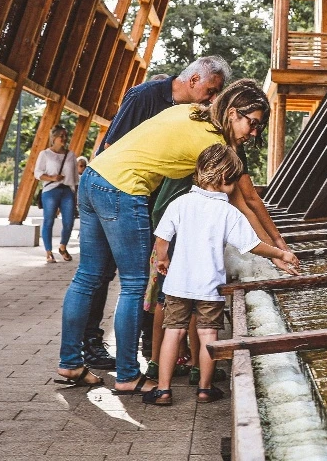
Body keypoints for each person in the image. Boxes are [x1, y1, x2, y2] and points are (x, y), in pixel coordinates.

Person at [55, 79, 294, 394]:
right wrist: (279, 249)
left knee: (87, 277)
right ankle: (127, 376)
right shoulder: (214, 148)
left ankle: (70, 361)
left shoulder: (192, 112)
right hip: (123, 189)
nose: (254, 133)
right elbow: (243, 202)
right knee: (134, 285)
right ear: (234, 113)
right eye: (253, 124)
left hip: (93, 179)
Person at [79, 56, 235, 370]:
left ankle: (149, 351)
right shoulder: (144, 97)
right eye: (212, 90)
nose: (214, 98)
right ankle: (98, 349)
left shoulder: (194, 114)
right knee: (113, 276)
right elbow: (112, 148)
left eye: (220, 93)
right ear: (193, 80)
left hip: (146, 200)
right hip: (124, 194)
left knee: (148, 281)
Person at [146, 145, 298, 406]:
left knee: (173, 332)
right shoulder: (228, 212)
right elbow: (251, 245)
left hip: (178, 284)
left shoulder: (180, 203)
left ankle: (163, 389)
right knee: (208, 335)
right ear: (226, 178)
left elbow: (162, 238)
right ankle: (205, 389)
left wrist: (163, 259)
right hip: (210, 287)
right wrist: (281, 254)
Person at [35, 124, 78, 264]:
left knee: (69, 221)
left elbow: (75, 177)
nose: (64, 139)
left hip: (67, 191)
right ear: (54, 138)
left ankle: (62, 247)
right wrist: (52, 178)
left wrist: (75, 193)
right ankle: (48, 252)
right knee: (49, 220)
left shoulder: (71, 155)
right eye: (61, 136)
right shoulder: (45, 154)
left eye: (66, 136)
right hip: (50, 190)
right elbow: (38, 173)